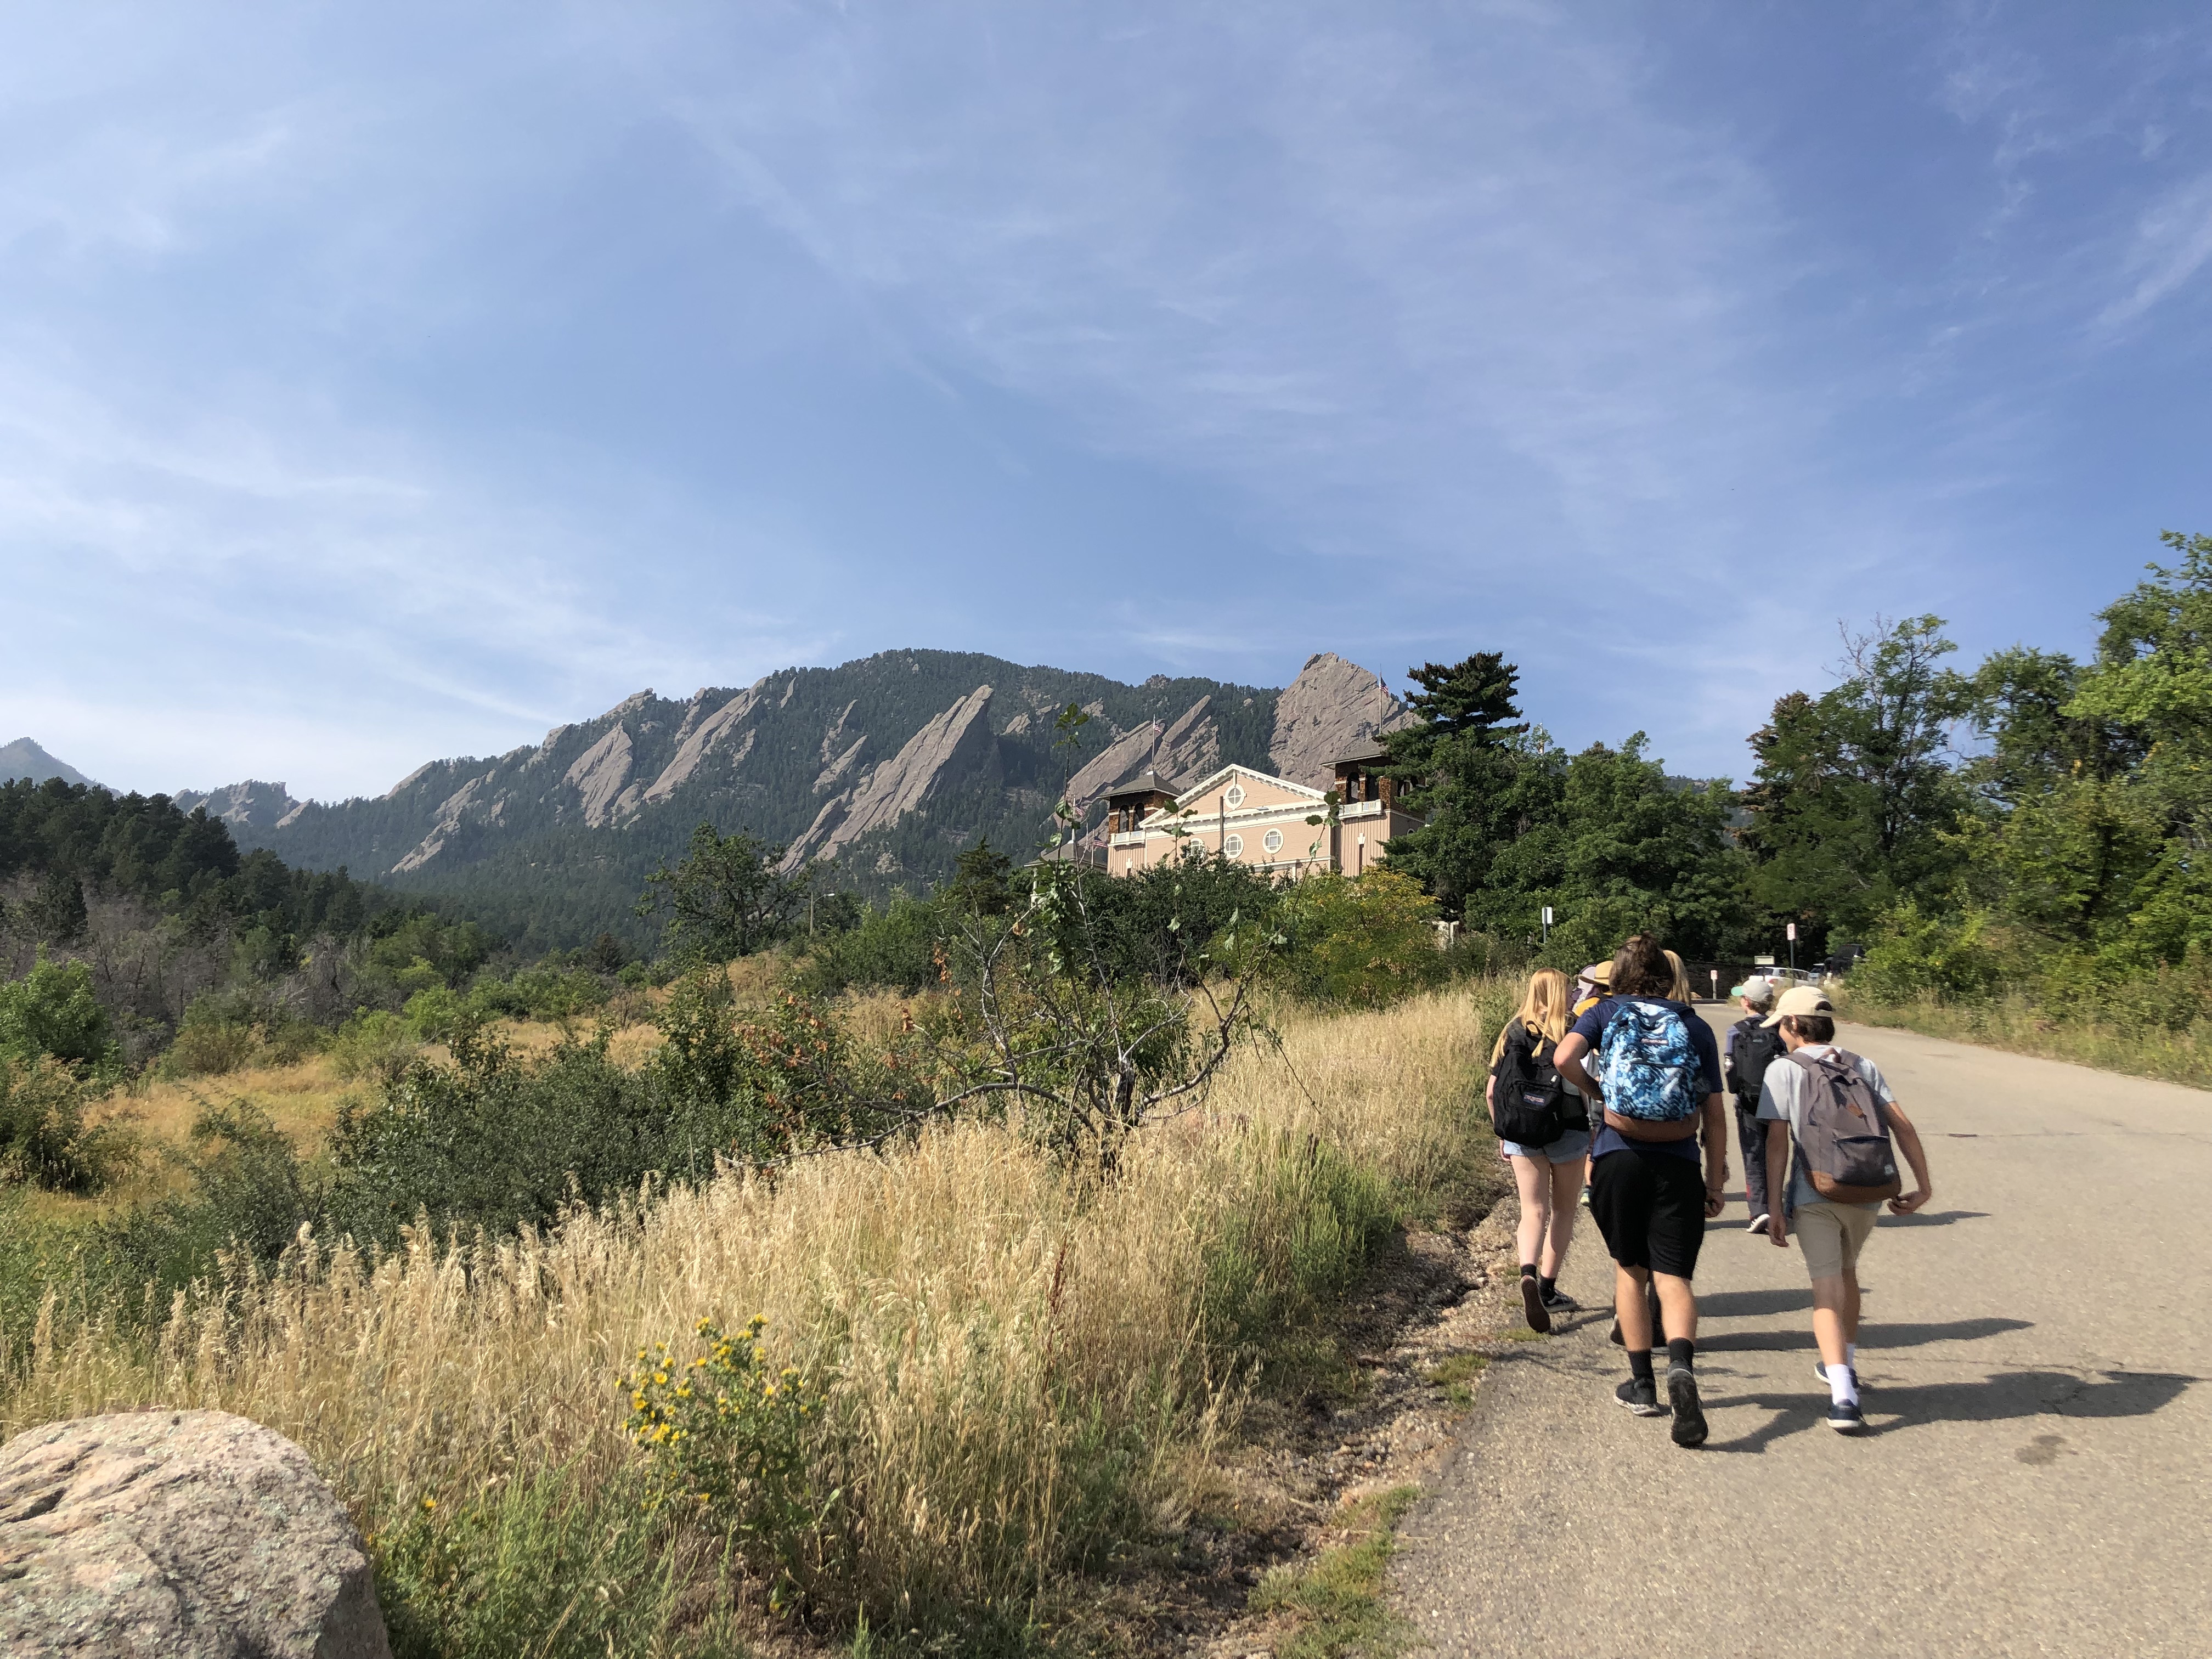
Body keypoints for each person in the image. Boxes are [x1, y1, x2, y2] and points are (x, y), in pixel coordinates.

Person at [1554, 934, 1729, 1447]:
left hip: (1618, 1155)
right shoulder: (1693, 1024)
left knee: (1631, 1273)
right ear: (1666, 975)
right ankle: (1681, 1369)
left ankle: (1642, 1384)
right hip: (1676, 1161)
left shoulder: (1604, 1014)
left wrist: (1600, 1091)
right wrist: (1715, 1180)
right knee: (1674, 1278)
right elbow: (1715, 1113)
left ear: (1619, 975)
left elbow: (1565, 1058)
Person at [1758, 986, 1934, 1433]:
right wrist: (1923, 1187)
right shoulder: (1863, 1065)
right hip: (1868, 1191)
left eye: (1781, 1024)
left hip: (1816, 1191)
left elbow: (1777, 1142)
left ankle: (1842, 1397)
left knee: (1825, 1288)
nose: (1779, 1033)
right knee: (1848, 1273)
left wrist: (1774, 1205)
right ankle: (1847, 1364)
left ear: (1795, 1025)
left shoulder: (1783, 1070)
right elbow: (1903, 1126)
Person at [1486, 968, 1588, 1334]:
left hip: (1521, 1132)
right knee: (1563, 1210)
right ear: (1562, 992)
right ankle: (1547, 1288)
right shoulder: (1574, 1029)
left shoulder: (1512, 1031)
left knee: (1532, 1210)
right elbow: (1584, 1085)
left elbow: (1491, 1090)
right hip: (1568, 1129)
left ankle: (1527, 1272)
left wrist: (1503, 1132)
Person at [1724, 977, 1784, 1233]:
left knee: (1753, 1155)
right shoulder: (1780, 1028)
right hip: (1777, 1104)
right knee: (1778, 1154)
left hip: (1748, 1102)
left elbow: (1730, 1067)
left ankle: (1759, 1212)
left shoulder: (1735, 1031)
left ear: (1746, 1002)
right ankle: (1781, 1206)